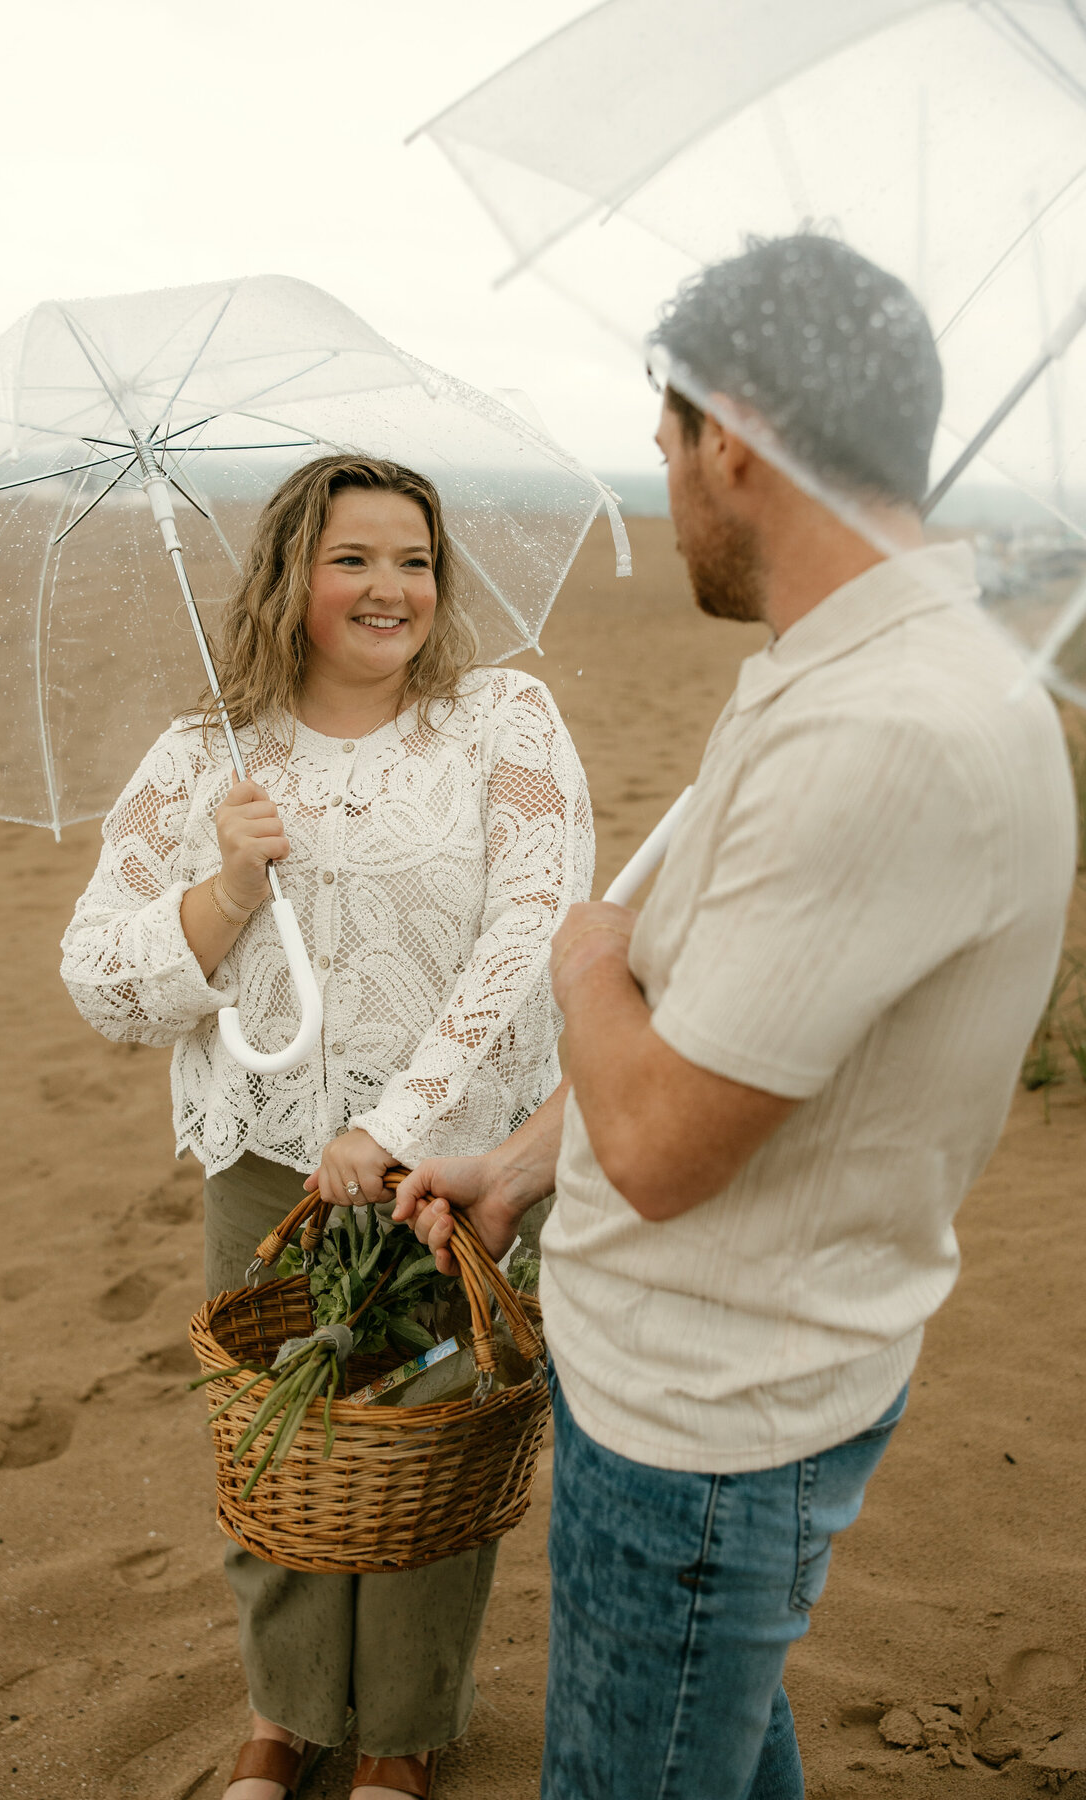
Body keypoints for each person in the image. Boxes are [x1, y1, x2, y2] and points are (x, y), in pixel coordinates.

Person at [393, 235, 1078, 1800]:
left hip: (709, 1429)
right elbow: (708, 1032)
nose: (662, 475)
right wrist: (513, 1170)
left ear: (741, 435)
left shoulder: (885, 731)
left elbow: (665, 1139)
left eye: (669, 439)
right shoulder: (834, 670)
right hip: (696, 1387)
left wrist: (581, 969)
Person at [60, 453, 593, 1800]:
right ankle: (288, 1713)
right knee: (281, 1443)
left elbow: (534, 926)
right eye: (354, 558)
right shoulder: (203, 756)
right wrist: (230, 884)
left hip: (454, 1165)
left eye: (414, 560)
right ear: (293, 574)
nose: (390, 588)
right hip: (263, 1158)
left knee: (430, 1441)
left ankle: (403, 1735)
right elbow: (102, 982)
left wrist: (399, 1121)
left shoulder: (498, 720)